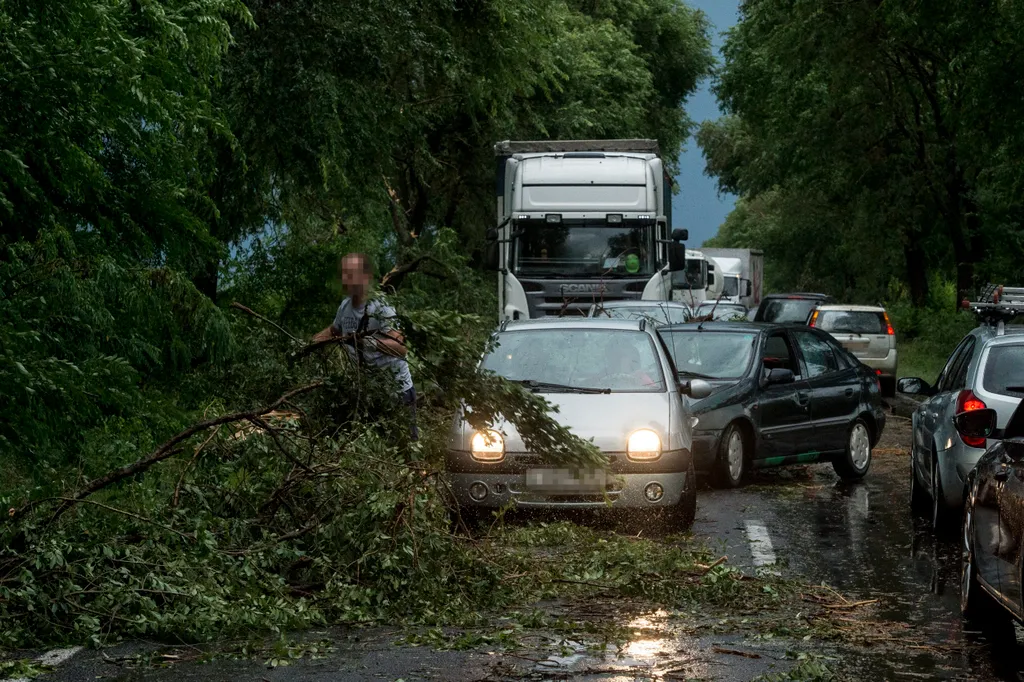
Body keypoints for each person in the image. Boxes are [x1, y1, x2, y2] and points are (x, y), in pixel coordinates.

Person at [312, 253, 419, 441]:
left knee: (402, 447)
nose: (346, 279)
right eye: (344, 274)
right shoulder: (345, 306)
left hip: (395, 391)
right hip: (367, 390)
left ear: (365, 277)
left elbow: (401, 347)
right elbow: (334, 331)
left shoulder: (381, 308)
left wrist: (367, 342)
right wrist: (309, 344)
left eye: (351, 274)